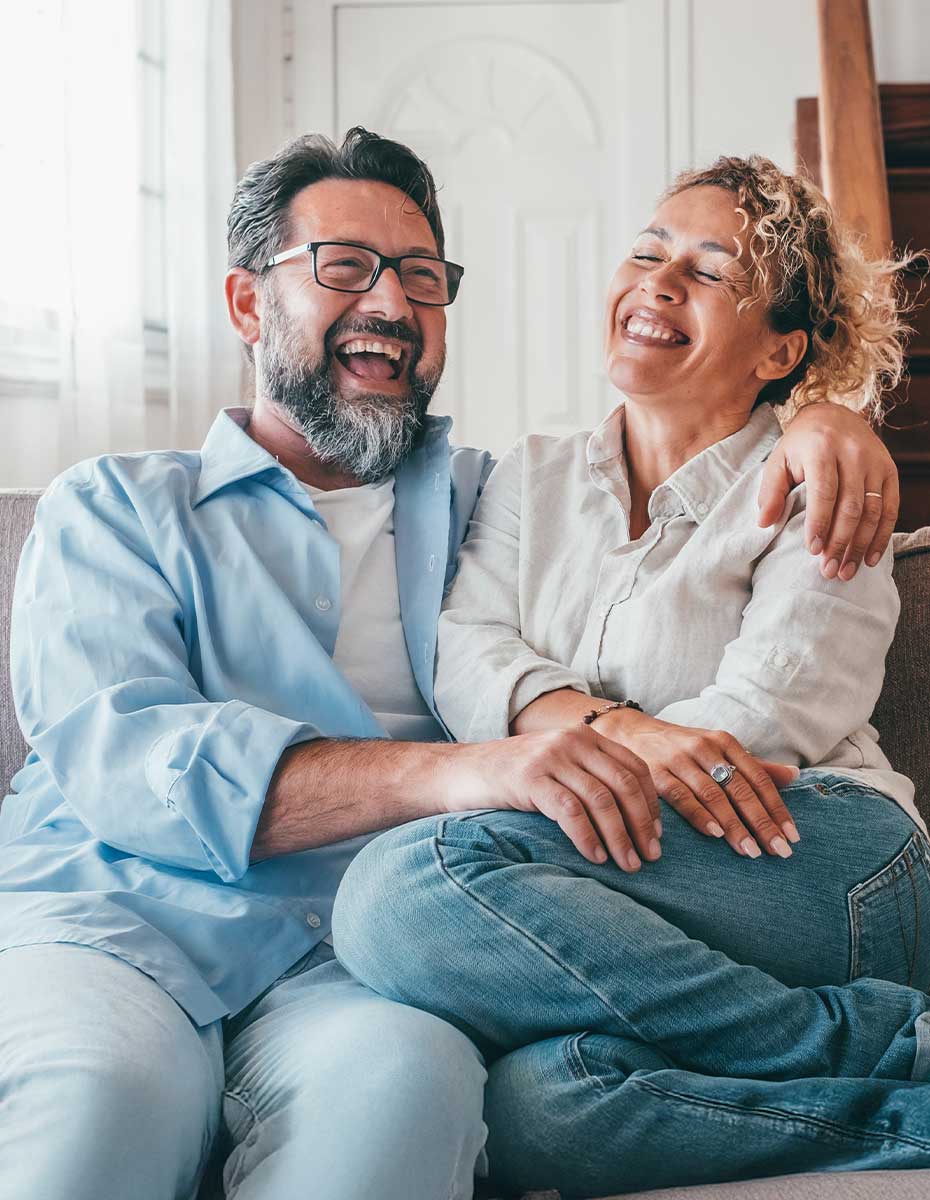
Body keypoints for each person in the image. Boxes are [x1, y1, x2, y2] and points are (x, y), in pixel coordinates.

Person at [0, 129, 907, 1200]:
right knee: (107, 1107)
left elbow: (694, 459)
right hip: (119, 928)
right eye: (344, 268)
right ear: (248, 305)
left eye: (421, 280)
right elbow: (125, 756)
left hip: (362, 968)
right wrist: (469, 771)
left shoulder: (479, 496)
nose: (389, 303)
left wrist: (827, 423)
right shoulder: (113, 506)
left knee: (409, 1101)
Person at [331, 155, 930, 1197]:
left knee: (400, 888)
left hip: (817, 846)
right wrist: (620, 731)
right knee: (543, 1106)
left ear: (781, 347)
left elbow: (756, 728)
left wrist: (590, 751)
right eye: (647, 252)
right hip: (637, 856)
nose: (657, 282)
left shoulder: (821, 482)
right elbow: (471, 653)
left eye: (708, 271)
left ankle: (881, 1033)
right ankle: (898, 1073)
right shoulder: (535, 474)